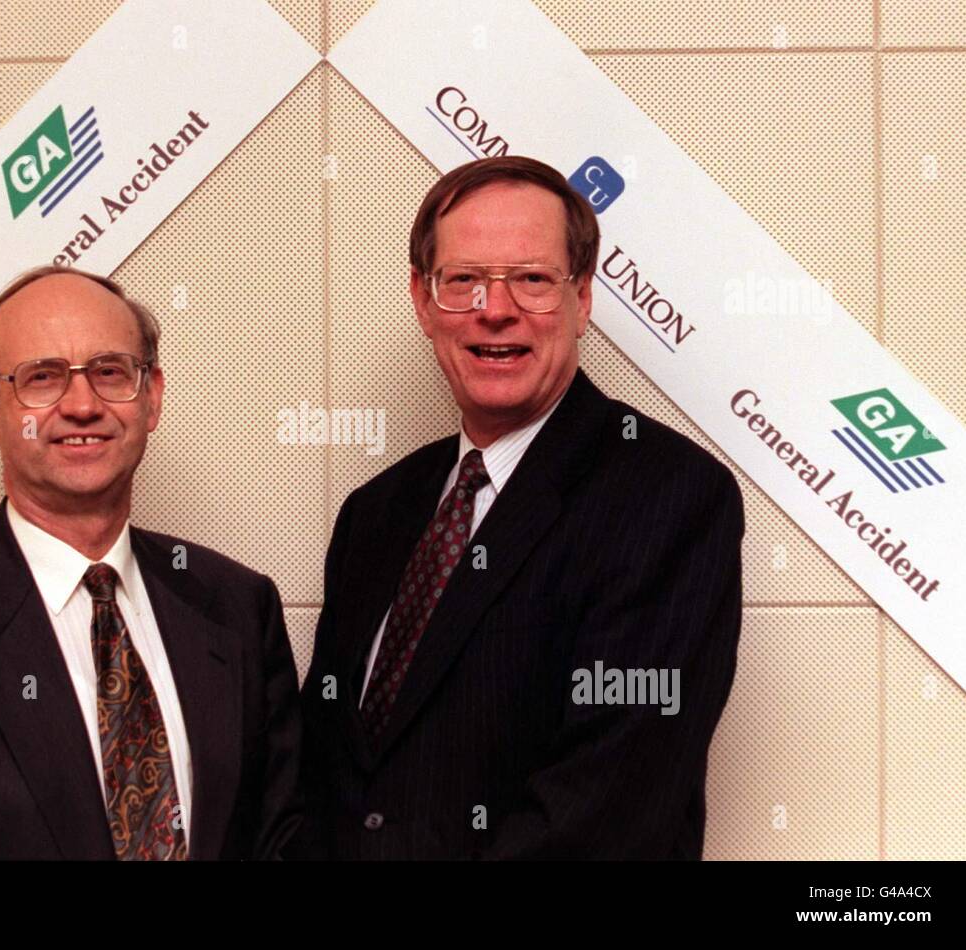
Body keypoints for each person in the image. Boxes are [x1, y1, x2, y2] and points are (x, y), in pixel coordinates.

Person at [293, 156, 745, 859]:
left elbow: (611, 806)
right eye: (463, 279)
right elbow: (323, 775)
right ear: (422, 298)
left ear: (584, 297)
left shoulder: (670, 497)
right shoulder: (375, 515)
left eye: (532, 280)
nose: (494, 308)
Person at [0, 265, 301, 859]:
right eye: (43, 378)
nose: (82, 405)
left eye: (109, 372)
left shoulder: (236, 605)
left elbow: (280, 841)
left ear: (150, 397)